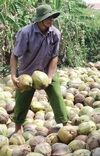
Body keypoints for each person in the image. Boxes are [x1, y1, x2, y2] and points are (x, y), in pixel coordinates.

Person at [9, 4, 69, 135]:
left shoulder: (55, 33)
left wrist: (50, 76)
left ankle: (65, 125)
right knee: (21, 99)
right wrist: (14, 76)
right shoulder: (25, 32)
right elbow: (14, 55)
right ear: (39, 19)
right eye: (48, 17)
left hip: (47, 70)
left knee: (57, 95)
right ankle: (18, 127)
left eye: (52, 17)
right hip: (27, 71)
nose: (51, 20)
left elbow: (54, 56)